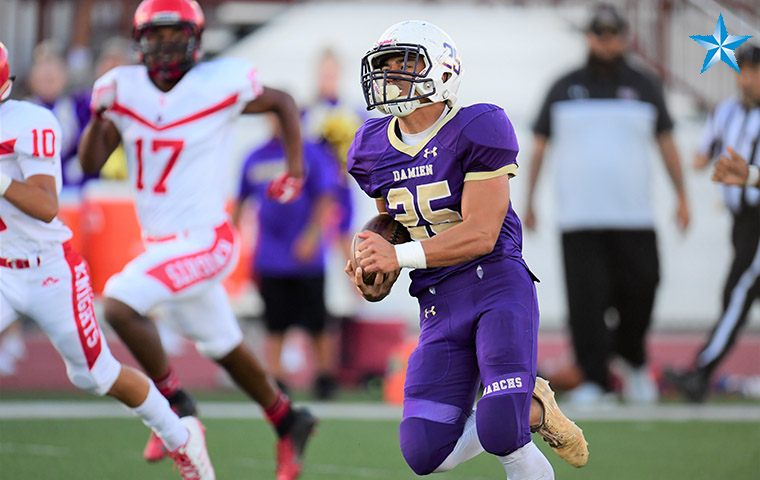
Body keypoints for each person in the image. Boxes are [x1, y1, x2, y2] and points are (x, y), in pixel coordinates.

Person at [77, 1, 315, 479]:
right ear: (140, 41)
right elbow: (89, 166)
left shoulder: (218, 83)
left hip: (207, 240)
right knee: (222, 343)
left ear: (195, 38)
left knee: (120, 303)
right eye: (156, 35)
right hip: (163, 244)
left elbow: (284, 101)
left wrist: (295, 169)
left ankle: (176, 408)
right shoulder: (120, 88)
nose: (165, 45)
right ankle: (289, 419)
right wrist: (101, 118)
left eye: (174, 34)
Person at [346, 20, 588, 479]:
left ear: (442, 70)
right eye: (386, 66)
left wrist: (396, 257)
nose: (392, 75)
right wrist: (374, 267)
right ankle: (531, 406)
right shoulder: (371, 147)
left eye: (405, 63)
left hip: (496, 286)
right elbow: (394, 225)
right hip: (437, 300)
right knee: (424, 453)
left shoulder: (478, 125)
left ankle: (524, 408)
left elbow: (481, 233)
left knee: (501, 431)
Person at [0, 41, 214, 480]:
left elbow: (45, 204)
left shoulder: (28, 121)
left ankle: (181, 437)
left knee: (95, 375)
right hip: (2, 269)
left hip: (47, 271)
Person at [524, 4, 690, 405]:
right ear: (588, 37)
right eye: (598, 34)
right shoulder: (563, 86)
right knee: (586, 302)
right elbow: (539, 147)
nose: (606, 41)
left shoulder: (646, 85)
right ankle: (594, 378)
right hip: (579, 217)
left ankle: (631, 360)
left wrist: (682, 195)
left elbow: (666, 144)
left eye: (613, 33)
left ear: (624, 37)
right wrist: (529, 201)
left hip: (634, 215)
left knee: (643, 288)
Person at [665, 44, 759, 402]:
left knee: (737, 294)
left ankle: (701, 372)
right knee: (736, 294)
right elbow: (704, 155)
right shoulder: (726, 112)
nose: (747, 79)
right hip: (742, 222)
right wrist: (700, 159)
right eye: (743, 70)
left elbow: (744, 171)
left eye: (755, 71)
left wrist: (746, 174)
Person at [233, 115, 339, 400]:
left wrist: (313, 235)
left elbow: (326, 196)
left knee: (316, 320)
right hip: (270, 255)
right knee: (275, 322)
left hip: (306, 255)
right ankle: (277, 378)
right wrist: (230, 239)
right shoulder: (255, 157)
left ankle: (325, 376)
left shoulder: (311, 154)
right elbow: (240, 199)